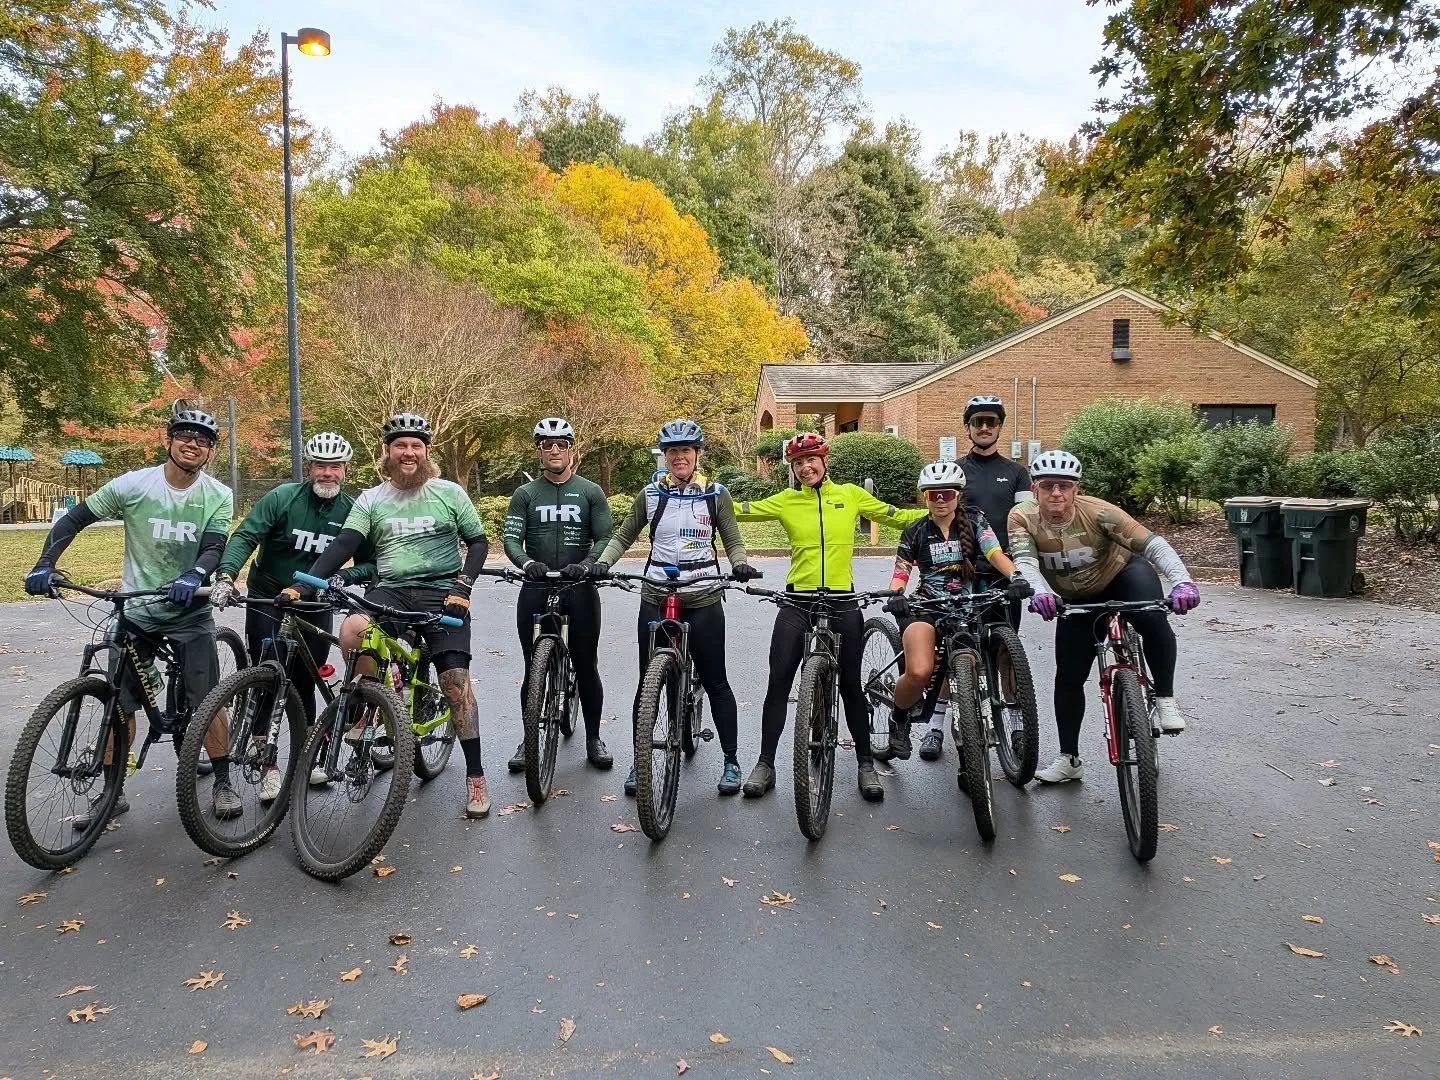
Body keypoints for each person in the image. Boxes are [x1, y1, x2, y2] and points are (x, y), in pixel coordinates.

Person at [25, 409, 236, 827]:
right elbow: (75, 518)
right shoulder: (134, 484)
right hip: (137, 609)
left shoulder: (217, 494)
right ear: (169, 440)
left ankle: (224, 781)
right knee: (120, 704)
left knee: (207, 698)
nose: (193, 444)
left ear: (210, 450)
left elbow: (214, 547)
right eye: (185, 435)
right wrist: (45, 563)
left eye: (203, 440)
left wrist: (195, 575)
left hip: (189, 610)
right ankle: (111, 792)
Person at [278, 412, 492, 817]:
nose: (408, 452)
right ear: (387, 452)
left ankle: (476, 775)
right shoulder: (372, 498)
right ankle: (372, 702)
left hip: (442, 591)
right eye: (400, 446)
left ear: (427, 451)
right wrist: (305, 584)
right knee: (354, 629)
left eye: (416, 445)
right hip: (391, 590)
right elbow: (344, 544)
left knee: (455, 682)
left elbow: (478, 544)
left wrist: (462, 589)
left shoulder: (449, 492)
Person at [732, 432, 928, 802]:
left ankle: (866, 764)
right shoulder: (787, 500)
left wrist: (939, 506)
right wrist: (703, 491)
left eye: (812, 460)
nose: (806, 468)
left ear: (825, 461)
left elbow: (898, 516)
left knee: (851, 686)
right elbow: (738, 510)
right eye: (798, 463)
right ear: (792, 468)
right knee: (779, 682)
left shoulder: (850, 495)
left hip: (842, 598)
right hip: (798, 599)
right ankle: (765, 763)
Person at [590, 419, 761, 797]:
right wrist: (603, 563)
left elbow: (732, 538)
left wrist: (739, 564)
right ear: (665, 457)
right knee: (647, 681)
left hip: (702, 595)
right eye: (672, 452)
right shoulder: (651, 494)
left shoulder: (716, 494)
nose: (679, 457)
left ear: (697, 455)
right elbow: (624, 535)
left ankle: (731, 760)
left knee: (715, 678)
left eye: (686, 451)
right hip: (656, 593)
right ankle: (641, 758)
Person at [1008, 449, 1200, 784]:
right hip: (1075, 598)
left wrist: (1182, 581)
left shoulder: (1100, 513)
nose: (1057, 493)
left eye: (1064, 486)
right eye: (1049, 485)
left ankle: (1166, 699)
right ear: (1035, 489)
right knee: (1068, 676)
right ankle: (1069, 759)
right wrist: (1040, 592)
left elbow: (1153, 545)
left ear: (1076, 489)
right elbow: (1025, 562)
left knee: (1153, 618)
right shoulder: (1022, 517)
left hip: (1122, 577)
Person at [210, 432, 376, 798]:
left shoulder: (353, 510)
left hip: (316, 605)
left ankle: (308, 758)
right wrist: (226, 574)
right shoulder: (283, 498)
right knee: (269, 672)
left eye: (335, 466)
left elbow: (370, 566)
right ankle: (266, 763)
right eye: (320, 465)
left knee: (303, 679)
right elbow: (245, 536)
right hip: (269, 598)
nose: (327, 473)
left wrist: (342, 577)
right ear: (309, 466)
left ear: (345, 469)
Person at [885, 460, 1032, 761]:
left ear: (958, 494)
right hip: (927, 606)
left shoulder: (975, 520)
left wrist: (1016, 576)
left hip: (968, 607)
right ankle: (898, 719)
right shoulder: (914, 530)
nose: (940, 499)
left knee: (970, 671)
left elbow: (994, 552)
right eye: (932, 494)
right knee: (920, 671)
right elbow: (901, 571)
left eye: (947, 493)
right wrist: (897, 594)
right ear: (924, 497)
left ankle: (969, 757)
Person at [503, 418, 614, 771]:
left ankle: (593, 738)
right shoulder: (526, 494)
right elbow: (509, 539)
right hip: (536, 585)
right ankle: (529, 738)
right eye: (547, 445)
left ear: (571, 449)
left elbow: (604, 537)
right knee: (532, 665)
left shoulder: (589, 491)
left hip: (578, 586)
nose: (554, 450)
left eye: (561, 444)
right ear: (539, 451)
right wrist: (525, 562)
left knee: (585, 664)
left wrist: (590, 563)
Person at [956, 395, 1033, 630]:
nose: (985, 428)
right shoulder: (954, 470)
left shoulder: (1018, 473)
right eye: (978, 422)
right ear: (968, 428)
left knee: (1006, 648)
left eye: (991, 422)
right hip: (963, 568)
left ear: (1000, 427)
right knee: (963, 645)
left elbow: (1026, 520)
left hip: (1003, 569)